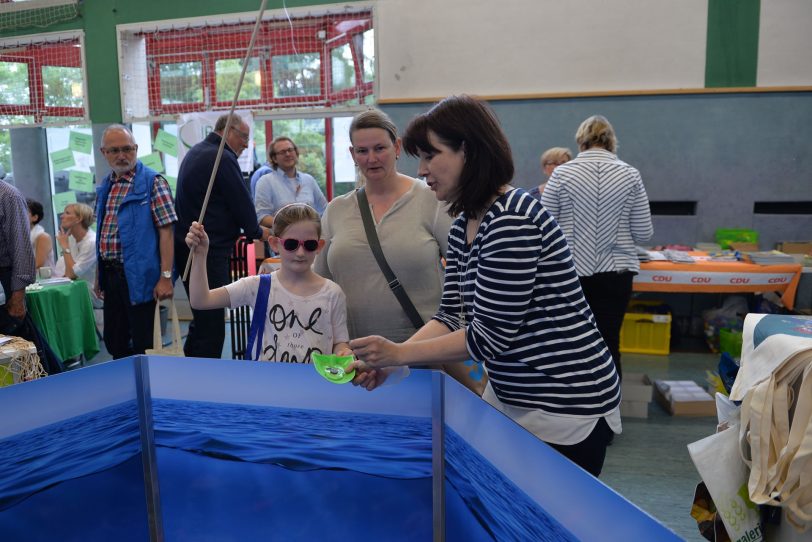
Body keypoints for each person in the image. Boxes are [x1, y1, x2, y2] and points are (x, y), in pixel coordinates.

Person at [348, 96, 621, 477]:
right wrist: (390, 361)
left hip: (562, 403)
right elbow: (449, 315)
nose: (424, 170)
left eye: (431, 156)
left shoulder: (511, 220)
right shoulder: (465, 223)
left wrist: (397, 356)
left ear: (469, 151)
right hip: (515, 394)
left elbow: (486, 338)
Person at [314, 109, 453, 344]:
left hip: (423, 352)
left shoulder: (432, 200)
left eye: (380, 148)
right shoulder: (336, 210)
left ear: (396, 147)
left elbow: (462, 272)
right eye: (362, 151)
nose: (371, 158)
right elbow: (320, 282)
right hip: (357, 356)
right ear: (352, 153)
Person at [542, 115, 653, 380]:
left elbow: (543, 226)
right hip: (615, 274)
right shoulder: (630, 174)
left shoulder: (561, 174)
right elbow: (644, 232)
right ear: (611, 141)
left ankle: (570, 406)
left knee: (568, 344)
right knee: (609, 343)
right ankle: (608, 410)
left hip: (569, 273)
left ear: (580, 140)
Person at [185, 203, 351, 363]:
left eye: (309, 245)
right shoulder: (257, 287)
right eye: (291, 244)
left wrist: (343, 353)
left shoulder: (332, 293)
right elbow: (201, 300)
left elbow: (339, 342)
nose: (300, 253)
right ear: (275, 244)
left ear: (319, 246)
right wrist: (200, 255)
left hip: (314, 385)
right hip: (267, 384)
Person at [175, 113, 271, 358]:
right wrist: (259, 232)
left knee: (201, 317)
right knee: (213, 324)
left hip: (190, 248)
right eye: (244, 137)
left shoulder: (196, 151)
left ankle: (190, 372)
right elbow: (241, 202)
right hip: (208, 251)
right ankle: (207, 382)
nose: (245, 145)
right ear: (228, 131)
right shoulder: (222, 157)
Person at [95, 124, 177, 359]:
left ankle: (148, 391)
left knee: (145, 343)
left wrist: (166, 277)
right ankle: (127, 389)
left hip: (141, 277)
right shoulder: (105, 186)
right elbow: (103, 232)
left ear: (136, 148)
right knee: (114, 341)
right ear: (104, 153)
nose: (122, 156)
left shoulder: (153, 183)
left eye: (127, 149)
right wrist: (99, 275)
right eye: (114, 150)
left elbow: (167, 233)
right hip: (111, 276)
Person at [254, 136, 328, 228]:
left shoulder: (309, 180)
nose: (288, 154)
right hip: (282, 241)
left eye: (290, 150)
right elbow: (261, 216)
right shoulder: (265, 182)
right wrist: (290, 227)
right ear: (274, 158)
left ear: (296, 153)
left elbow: (324, 210)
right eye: (282, 152)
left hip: (311, 239)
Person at [53, 203, 100, 305]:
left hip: (89, 297)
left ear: (79, 219)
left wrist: (65, 247)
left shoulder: (91, 242)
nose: (61, 216)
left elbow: (71, 274)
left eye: (67, 213)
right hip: (73, 291)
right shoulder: (71, 239)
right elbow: (61, 271)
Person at [26, 199, 55, 271]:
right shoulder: (21, 234)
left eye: (23, 212)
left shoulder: (43, 237)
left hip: (43, 280)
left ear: (35, 217)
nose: (18, 215)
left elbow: (38, 264)